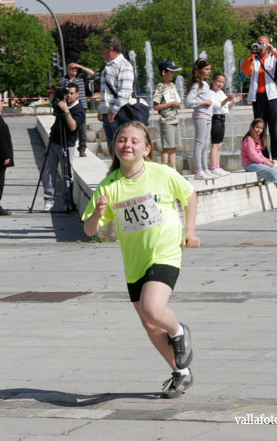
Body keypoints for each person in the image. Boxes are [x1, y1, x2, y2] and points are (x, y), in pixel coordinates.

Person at [82, 121, 199, 399]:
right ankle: (181, 372)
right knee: (149, 323)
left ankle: (179, 330)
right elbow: (88, 230)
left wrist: (190, 230)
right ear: (115, 146)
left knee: (152, 309)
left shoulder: (162, 173)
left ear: (146, 149)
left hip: (165, 251)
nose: (127, 145)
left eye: (134, 141)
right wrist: (98, 214)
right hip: (135, 261)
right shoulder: (109, 186)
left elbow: (190, 196)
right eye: (122, 140)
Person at [240, 35, 277, 165]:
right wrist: (252, 54)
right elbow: (246, 70)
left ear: (268, 45)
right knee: (259, 129)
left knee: (275, 128)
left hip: (271, 96)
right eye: (259, 44)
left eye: (264, 44)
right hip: (257, 97)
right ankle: (262, 156)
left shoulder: (274, 57)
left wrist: (273, 50)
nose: (261, 47)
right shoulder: (253, 59)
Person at [41, 83, 86, 212]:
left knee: (67, 175)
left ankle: (68, 202)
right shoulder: (61, 104)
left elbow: (73, 127)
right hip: (54, 142)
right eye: (67, 93)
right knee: (49, 172)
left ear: (77, 94)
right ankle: (48, 200)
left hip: (67, 145)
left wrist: (66, 111)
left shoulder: (79, 109)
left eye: (72, 93)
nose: (69, 96)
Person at [98, 35, 134, 156]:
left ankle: (124, 174)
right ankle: (116, 174)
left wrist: (113, 111)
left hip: (118, 115)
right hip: (108, 115)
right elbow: (105, 92)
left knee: (121, 152)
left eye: (102, 48)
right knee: (113, 151)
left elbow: (124, 92)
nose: (101, 51)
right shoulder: (107, 67)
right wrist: (101, 110)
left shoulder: (124, 66)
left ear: (111, 49)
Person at [185, 58, 215, 180]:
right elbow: (188, 101)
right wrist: (203, 101)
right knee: (199, 143)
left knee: (205, 144)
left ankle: (205, 168)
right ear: (199, 70)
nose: (208, 72)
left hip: (208, 116)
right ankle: (198, 170)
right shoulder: (197, 84)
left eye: (209, 69)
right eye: (206, 69)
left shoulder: (205, 83)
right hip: (200, 115)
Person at [58, 62, 95, 157]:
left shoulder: (81, 77)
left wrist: (80, 66)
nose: (74, 70)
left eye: (76, 68)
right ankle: (66, 146)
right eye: (72, 68)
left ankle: (82, 149)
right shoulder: (63, 80)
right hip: (67, 107)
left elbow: (92, 73)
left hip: (80, 107)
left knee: (82, 130)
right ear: (67, 69)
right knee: (67, 128)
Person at [209, 72, 242, 176]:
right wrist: (227, 99)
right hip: (215, 118)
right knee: (215, 144)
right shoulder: (210, 93)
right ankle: (213, 167)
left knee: (219, 144)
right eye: (218, 81)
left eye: (222, 82)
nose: (220, 84)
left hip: (222, 118)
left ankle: (217, 165)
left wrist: (234, 101)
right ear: (212, 81)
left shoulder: (221, 93)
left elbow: (227, 107)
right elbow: (216, 106)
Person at [153, 59, 183, 169]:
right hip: (167, 121)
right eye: (171, 72)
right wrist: (171, 104)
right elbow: (156, 106)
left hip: (175, 120)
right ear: (163, 73)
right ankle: (165, 169)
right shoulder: (160, 86)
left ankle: (173, 169)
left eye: (174, 72)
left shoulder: (172, 85)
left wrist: (178, 104)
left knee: (173, 147)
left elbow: (176, 100)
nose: (173, 75)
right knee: (167, 147)